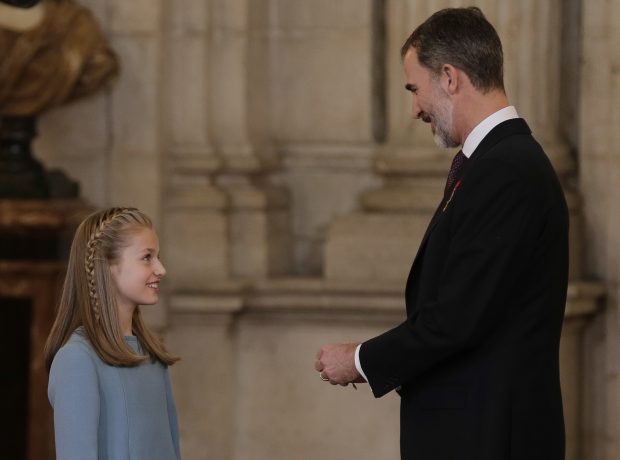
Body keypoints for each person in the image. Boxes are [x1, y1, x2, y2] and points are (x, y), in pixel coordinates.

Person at [315, 7, 568, 460]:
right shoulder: (494, 163)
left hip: (490, 437)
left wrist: (358, 361)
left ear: (449, 77)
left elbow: (456, 319)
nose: (414, 109)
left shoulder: (508, 169)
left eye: (415, 88)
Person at [44, 207, 182, 460]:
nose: (161, 269)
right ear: (107, 266)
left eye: (158, 256)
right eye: (147, 257)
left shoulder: (152, 356)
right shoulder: (77, 360)